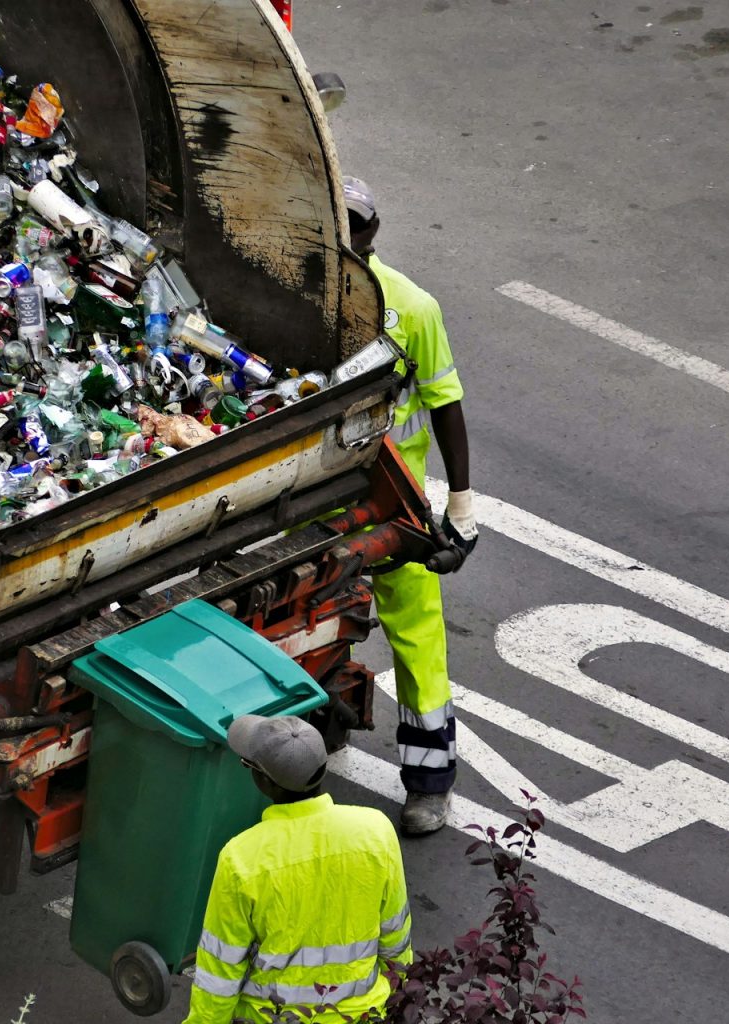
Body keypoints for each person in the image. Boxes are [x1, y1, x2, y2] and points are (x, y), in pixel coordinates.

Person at [342, 175, 478, 836]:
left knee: (417, 638)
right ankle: (318, 723)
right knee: (312, 614)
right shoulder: (295, 293)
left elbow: (446, 404)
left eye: (355, 224)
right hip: (317, 495)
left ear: (373, 231)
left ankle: (430, 784)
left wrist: (462, 505)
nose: (346, 235)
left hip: (393, 500)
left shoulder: (413, 308)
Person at [183, 714, 413, 1024]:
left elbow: (221, 970)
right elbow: (396, 937)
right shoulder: (376, 832)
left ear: (264, 781)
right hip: (365, 1014)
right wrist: (399, 997)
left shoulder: (241, 859)